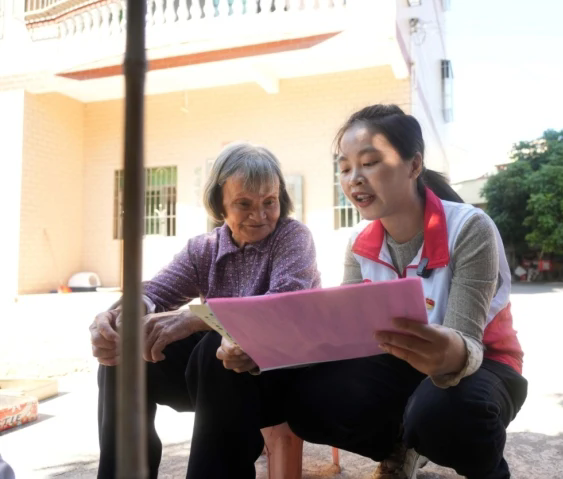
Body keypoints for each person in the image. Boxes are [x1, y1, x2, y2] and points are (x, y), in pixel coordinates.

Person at [186, 105, 526, 479]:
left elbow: (469, 347)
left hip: (482, 364)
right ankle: (400, 446)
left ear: (414, 165)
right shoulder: (360, 242)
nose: (354, 179)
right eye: (345, 168)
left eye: (370, 163)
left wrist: (446, 351)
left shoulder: (469, 228)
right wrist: (260, 352)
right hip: (399, 360)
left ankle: (488, 469)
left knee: (443, 414)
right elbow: (340, 342)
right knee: (306, 400)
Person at [88, 142, 321, 479]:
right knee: (126, 352)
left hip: (279, 378)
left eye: (269, 202)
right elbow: (156, 291)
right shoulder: (205, 248)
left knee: (217, 345)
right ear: (219, 204)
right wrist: (116, 319)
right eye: (244, 204)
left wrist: (198, 318)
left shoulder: (293, 237)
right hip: (212, 385)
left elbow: (283, 304)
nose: (260, 215)